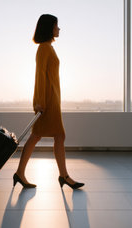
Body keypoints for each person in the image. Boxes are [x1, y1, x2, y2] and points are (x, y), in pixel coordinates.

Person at [13, 14, 84, 190]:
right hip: (47, 102)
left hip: (52, 100)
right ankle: (62, 176)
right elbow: (39, 77)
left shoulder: (49, 48)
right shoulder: (44, 48)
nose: (59, 29)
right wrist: (39, 102)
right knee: (48, 135)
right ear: (49, 28)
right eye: (56, 25)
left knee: (48, 135)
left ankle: (24, 173)